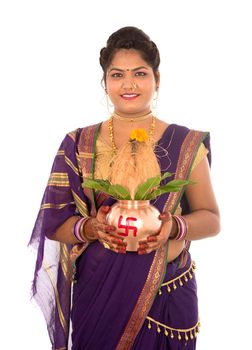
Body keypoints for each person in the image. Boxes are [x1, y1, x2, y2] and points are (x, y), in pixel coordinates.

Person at [29, 26, 220, 350]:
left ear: (156, 80)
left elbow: (211, 218)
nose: (128, 84)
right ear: (105, 82)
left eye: (140, 73)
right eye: (117, 74)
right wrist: (91, 227)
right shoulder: (78, 143)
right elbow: (54, 223)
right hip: (98, 293)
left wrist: (174, 226)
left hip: (167, 295)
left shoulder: (185, 143)